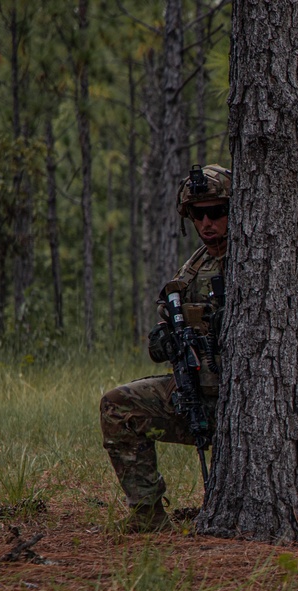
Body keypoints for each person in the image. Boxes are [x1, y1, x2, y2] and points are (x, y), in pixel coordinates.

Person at [99, 164, 231, 532]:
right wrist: (165, 338)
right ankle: (147, 515)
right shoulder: (192, 270)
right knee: (118, 405)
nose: (207, 223)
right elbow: (165, 325)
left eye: (217, 212)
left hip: (250, 403)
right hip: (199, 395)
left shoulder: (262, 261)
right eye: (198, 214)